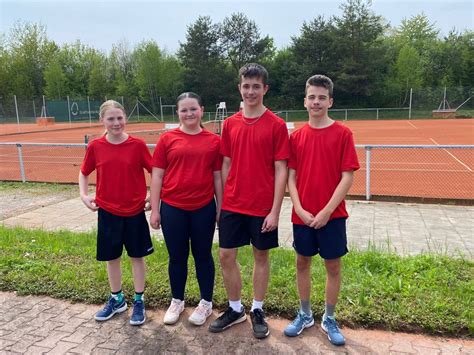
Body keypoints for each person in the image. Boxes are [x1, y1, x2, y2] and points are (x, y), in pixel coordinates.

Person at [208, 63, 290, 339]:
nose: (251, 91)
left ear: (265, 89)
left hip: (262, 206)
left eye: (256, 86)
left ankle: (257, 309)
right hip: (233, 204)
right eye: (246, 86)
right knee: (226, 255)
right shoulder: (230, 124)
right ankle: (234, 309)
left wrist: (275, 211)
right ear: (239, 88)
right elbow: (226, 163)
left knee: (260, 255)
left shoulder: (277, 126)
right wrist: (222, 203)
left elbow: (281, 169)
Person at [283, 75, 360, 346]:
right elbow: (290, 177)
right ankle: (304, 314)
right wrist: (300, 209)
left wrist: (327, 210)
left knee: (333, 266)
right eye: (312, 97)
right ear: (305, 101)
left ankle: (329, 318)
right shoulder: (297, 137)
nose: (316, 102)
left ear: (330, 101)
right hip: (302, 216)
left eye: (321, 97)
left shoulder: (342, 134)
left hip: (333, 216)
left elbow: (347, 176)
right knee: (302, 262)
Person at [79, 100, 154, 326]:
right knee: (111, 258)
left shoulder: (138, 145)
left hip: (134, 211)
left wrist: (152, 197)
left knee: (136, 257)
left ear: (125, 118)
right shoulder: (95, 146)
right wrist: (84, 196)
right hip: (108, 212)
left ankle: (139, 301)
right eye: (110, 119)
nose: (116, 123)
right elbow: (83, 173)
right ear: (103, 121)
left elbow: (156, 173)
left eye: (119, 118)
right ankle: (117, 298)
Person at [150, 92, 222, 326]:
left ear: (202, 110)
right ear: (178, 113)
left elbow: (217, 177)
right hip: (173, 208)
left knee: (203, 256)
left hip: (203, 208)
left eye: (193, 109)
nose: (189, 114)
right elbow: (158, 174)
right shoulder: (167, 139)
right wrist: (155, 208)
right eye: (184, 110)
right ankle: (177, 300)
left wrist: (220, 207)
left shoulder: (213, 141)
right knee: (177, 257)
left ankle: (205, 303)